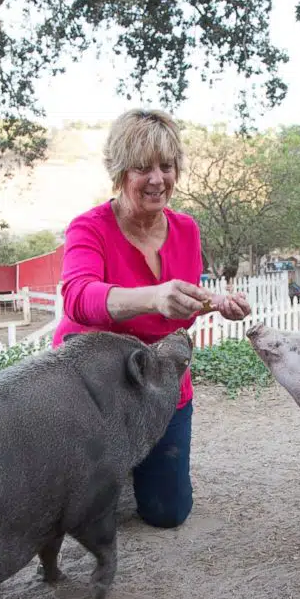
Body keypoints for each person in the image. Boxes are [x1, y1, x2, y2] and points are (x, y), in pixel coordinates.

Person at [53, 107, 251, 529]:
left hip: (160, 381)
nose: (158, 179)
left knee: (167, 513)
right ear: (120, 172)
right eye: (143, 168)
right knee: (83, 518)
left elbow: (178, 319)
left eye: (166, 166)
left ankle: (133, 465)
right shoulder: (88, 228)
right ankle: (109, 467)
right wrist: (153, 297)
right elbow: (78, 297)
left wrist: (212, 303)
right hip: (95, 384)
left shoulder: (187, 230)